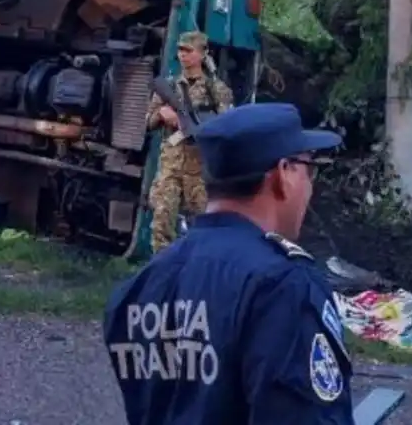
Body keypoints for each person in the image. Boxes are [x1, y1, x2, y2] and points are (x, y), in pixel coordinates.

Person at [103, 102, 349, 424]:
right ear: (283, 174)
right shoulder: (283, 287)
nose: (310, 184)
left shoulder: (137, 289)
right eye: (309, 168)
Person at [144, 30, 234, 253]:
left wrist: (200, 127)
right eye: (180, 50)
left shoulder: (216, 89)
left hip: (200, 171)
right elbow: (148, 122)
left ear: (203, 54)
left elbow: (227, 126)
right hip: (171, 167)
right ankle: (162, 274)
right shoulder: (170, 87)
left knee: (203, 228)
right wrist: (162, 114)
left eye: (188, 50)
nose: (183, 55)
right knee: (161, 225)